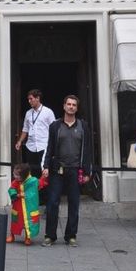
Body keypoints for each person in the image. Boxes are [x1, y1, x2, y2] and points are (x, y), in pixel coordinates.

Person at [42, 94, 92, 247]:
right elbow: (49, 147)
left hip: (76, 170)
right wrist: (45, 166)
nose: (71, 107)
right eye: (68, 104)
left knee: (74, 203)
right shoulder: (55, 126)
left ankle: (71, 235)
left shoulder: (83, 126)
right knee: (52, 203)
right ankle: (50, 236)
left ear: (77, 108)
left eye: (74, 105)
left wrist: (88, 172)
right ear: (64, 106)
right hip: (58, 169)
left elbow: (88, 150)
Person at [15, 89, 55, 175]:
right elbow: (25, 129)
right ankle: (33, 188)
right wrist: (20, 141)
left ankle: (44, 188)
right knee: (32, 172)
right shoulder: (28, 113)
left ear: (38, 98)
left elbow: (54, 130)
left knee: (44, 171)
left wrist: (53, 145)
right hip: (31, 146)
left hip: (44, 146)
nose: (29, 101)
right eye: (28, 99)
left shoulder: (48, 112)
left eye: (31, 99)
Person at [6, 163, 47, 245]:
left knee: (28, 222)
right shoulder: (15, 182)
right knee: (15, 221)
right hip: (18, 206)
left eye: (17, 175)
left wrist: (44, 177)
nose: (15, 176)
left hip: (29, 207)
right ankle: (12, 235)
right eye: (14, 174)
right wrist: (16, 195)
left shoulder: (33, 181)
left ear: (24, 176)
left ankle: (28, 237)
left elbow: (40, 183)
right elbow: (12, 189)